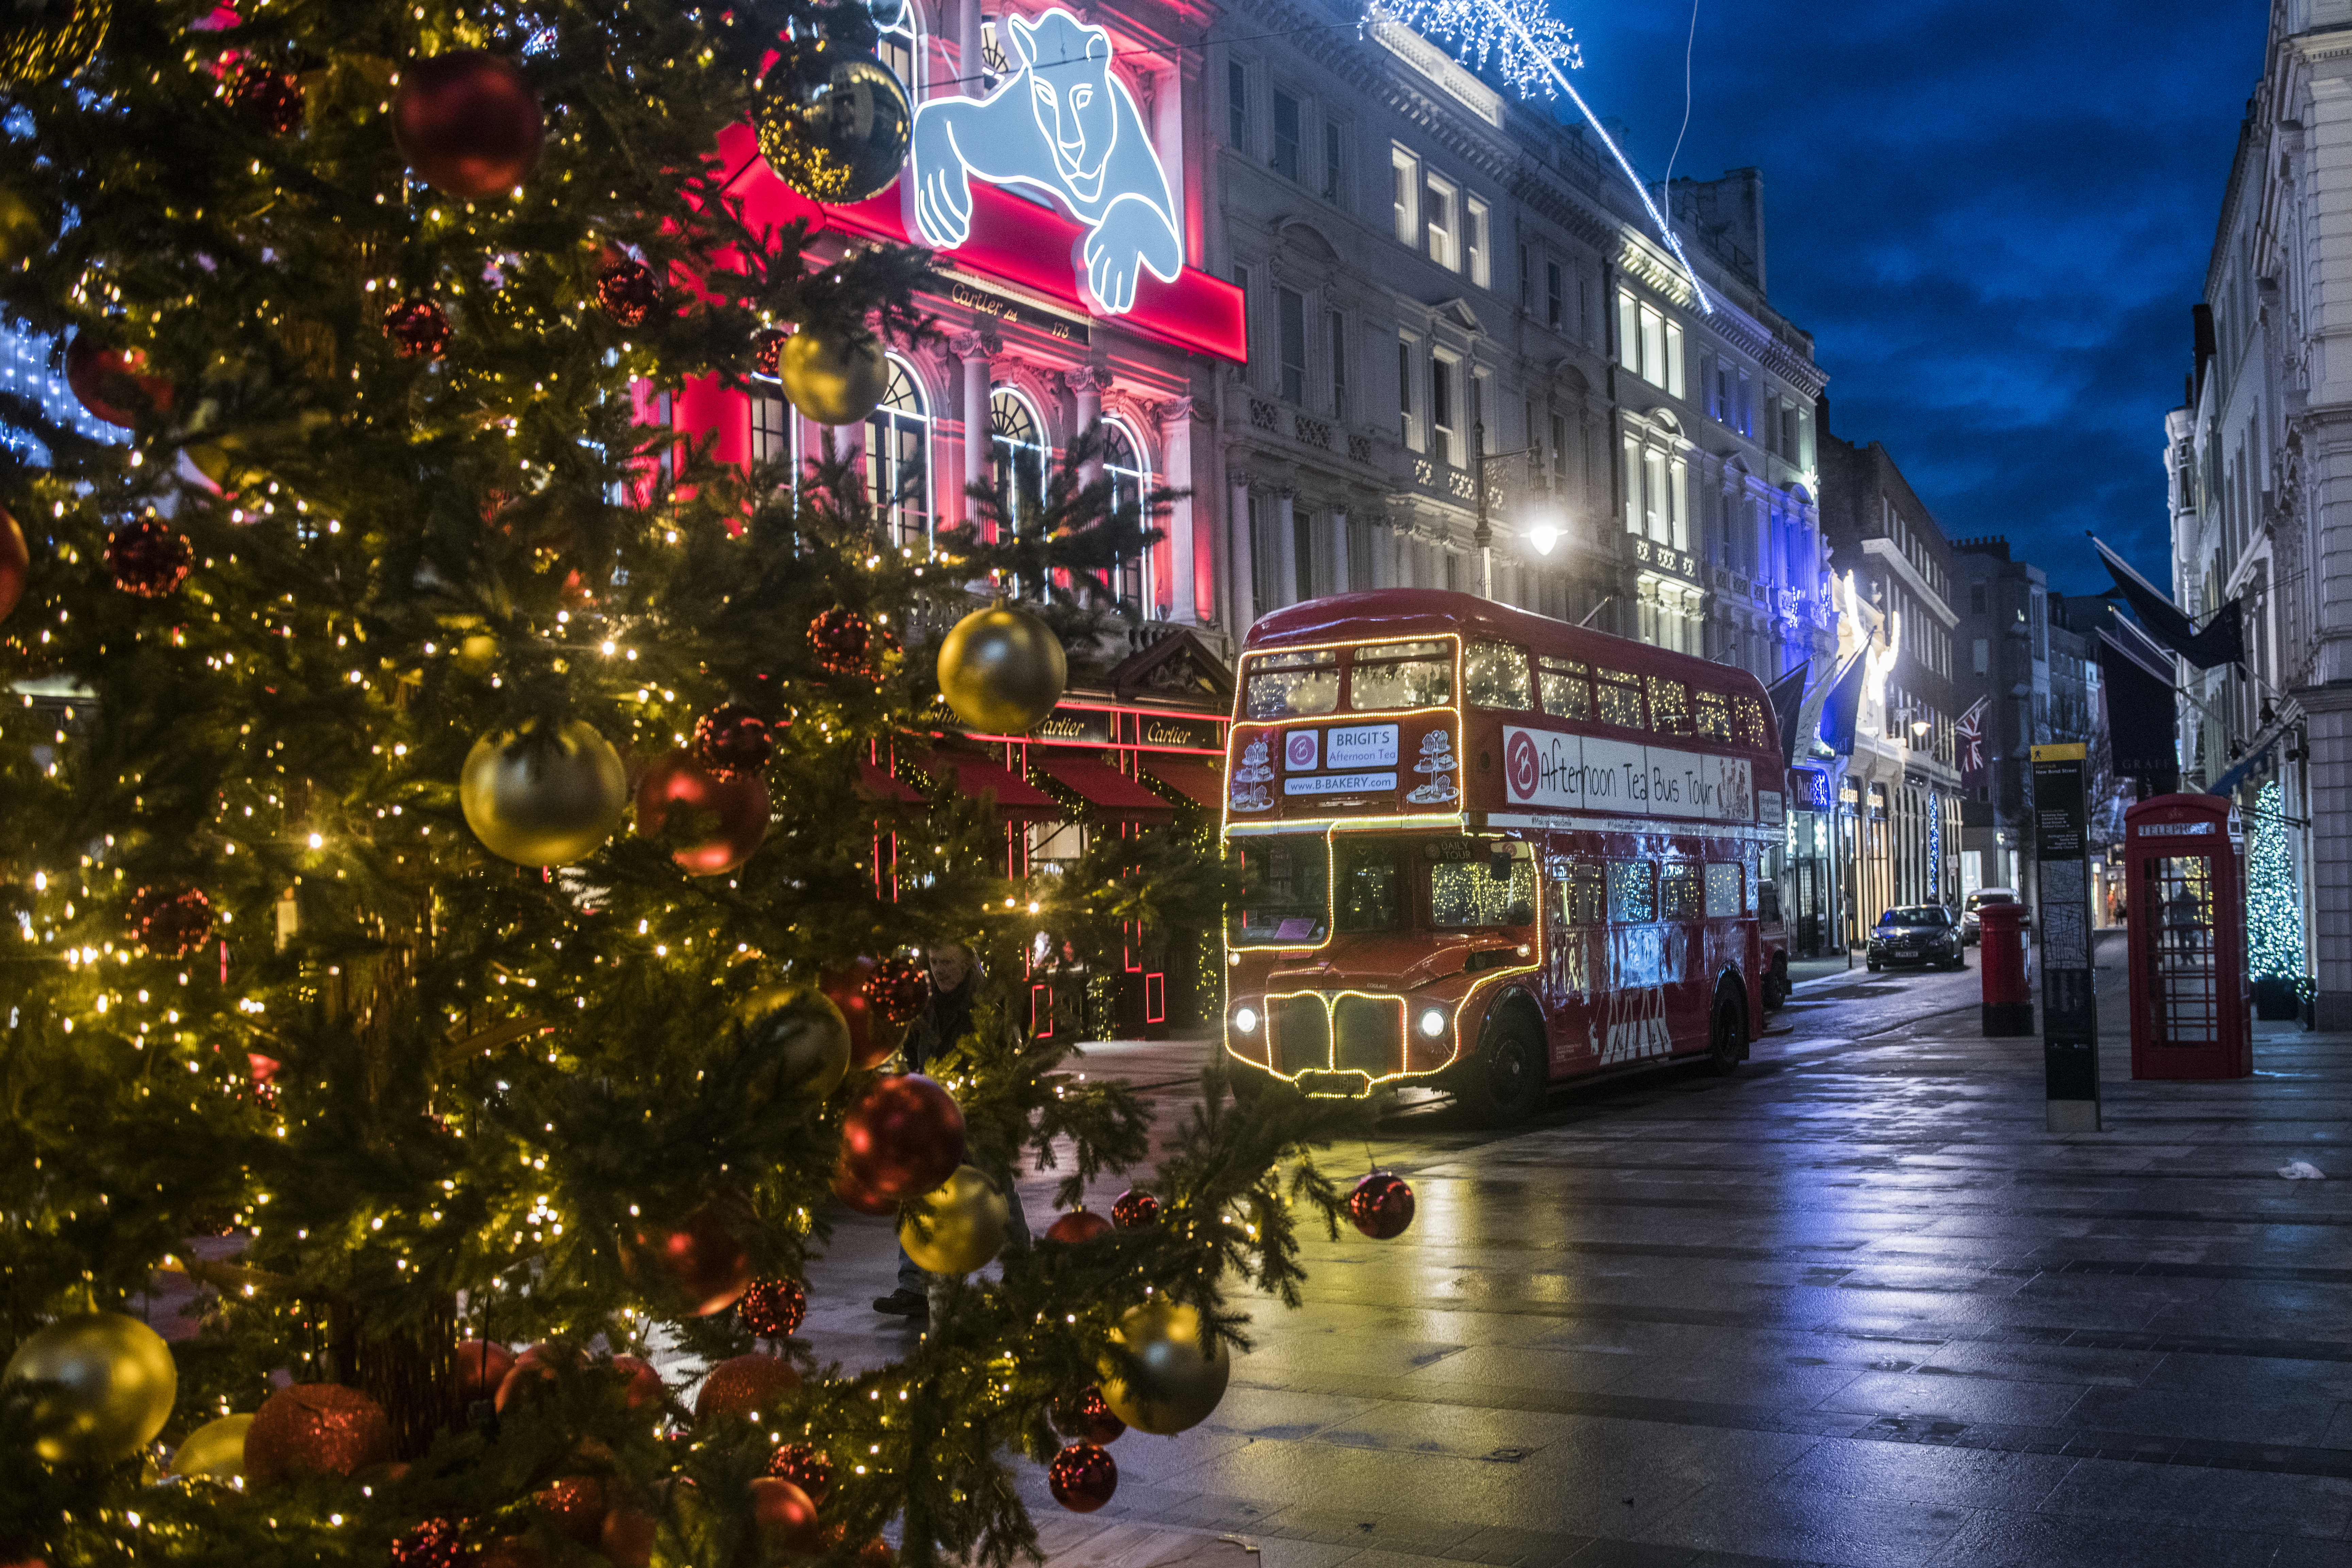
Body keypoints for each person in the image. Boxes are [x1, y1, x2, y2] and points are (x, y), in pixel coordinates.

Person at [870, 941, 1033, 1319]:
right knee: (920, 1192)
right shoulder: (923, 1001)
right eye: (934, 962)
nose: (940, 970)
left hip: (981, 1111)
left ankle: (1021, 1269)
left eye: (948, 962)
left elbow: (1009, 1056)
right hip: (934, 1112)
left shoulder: (988, 1002)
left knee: (994, 1184)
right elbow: (909, 1051)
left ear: (968, 961)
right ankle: (913, 1284)